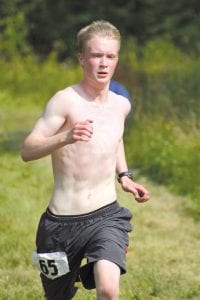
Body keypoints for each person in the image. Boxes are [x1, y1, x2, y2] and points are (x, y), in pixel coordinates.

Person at [21, 20, 150, 300]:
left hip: (106, 215)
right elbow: (27, 151)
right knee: (58, 297)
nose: (103, 63)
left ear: (117, 59)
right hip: (59, 226)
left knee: (108, 289)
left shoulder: (121, 105)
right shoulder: (64, 101)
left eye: (110, 56)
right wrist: (65, 137)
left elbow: (115, 139)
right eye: (96, 55)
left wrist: (124, 176)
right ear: (82, 58)